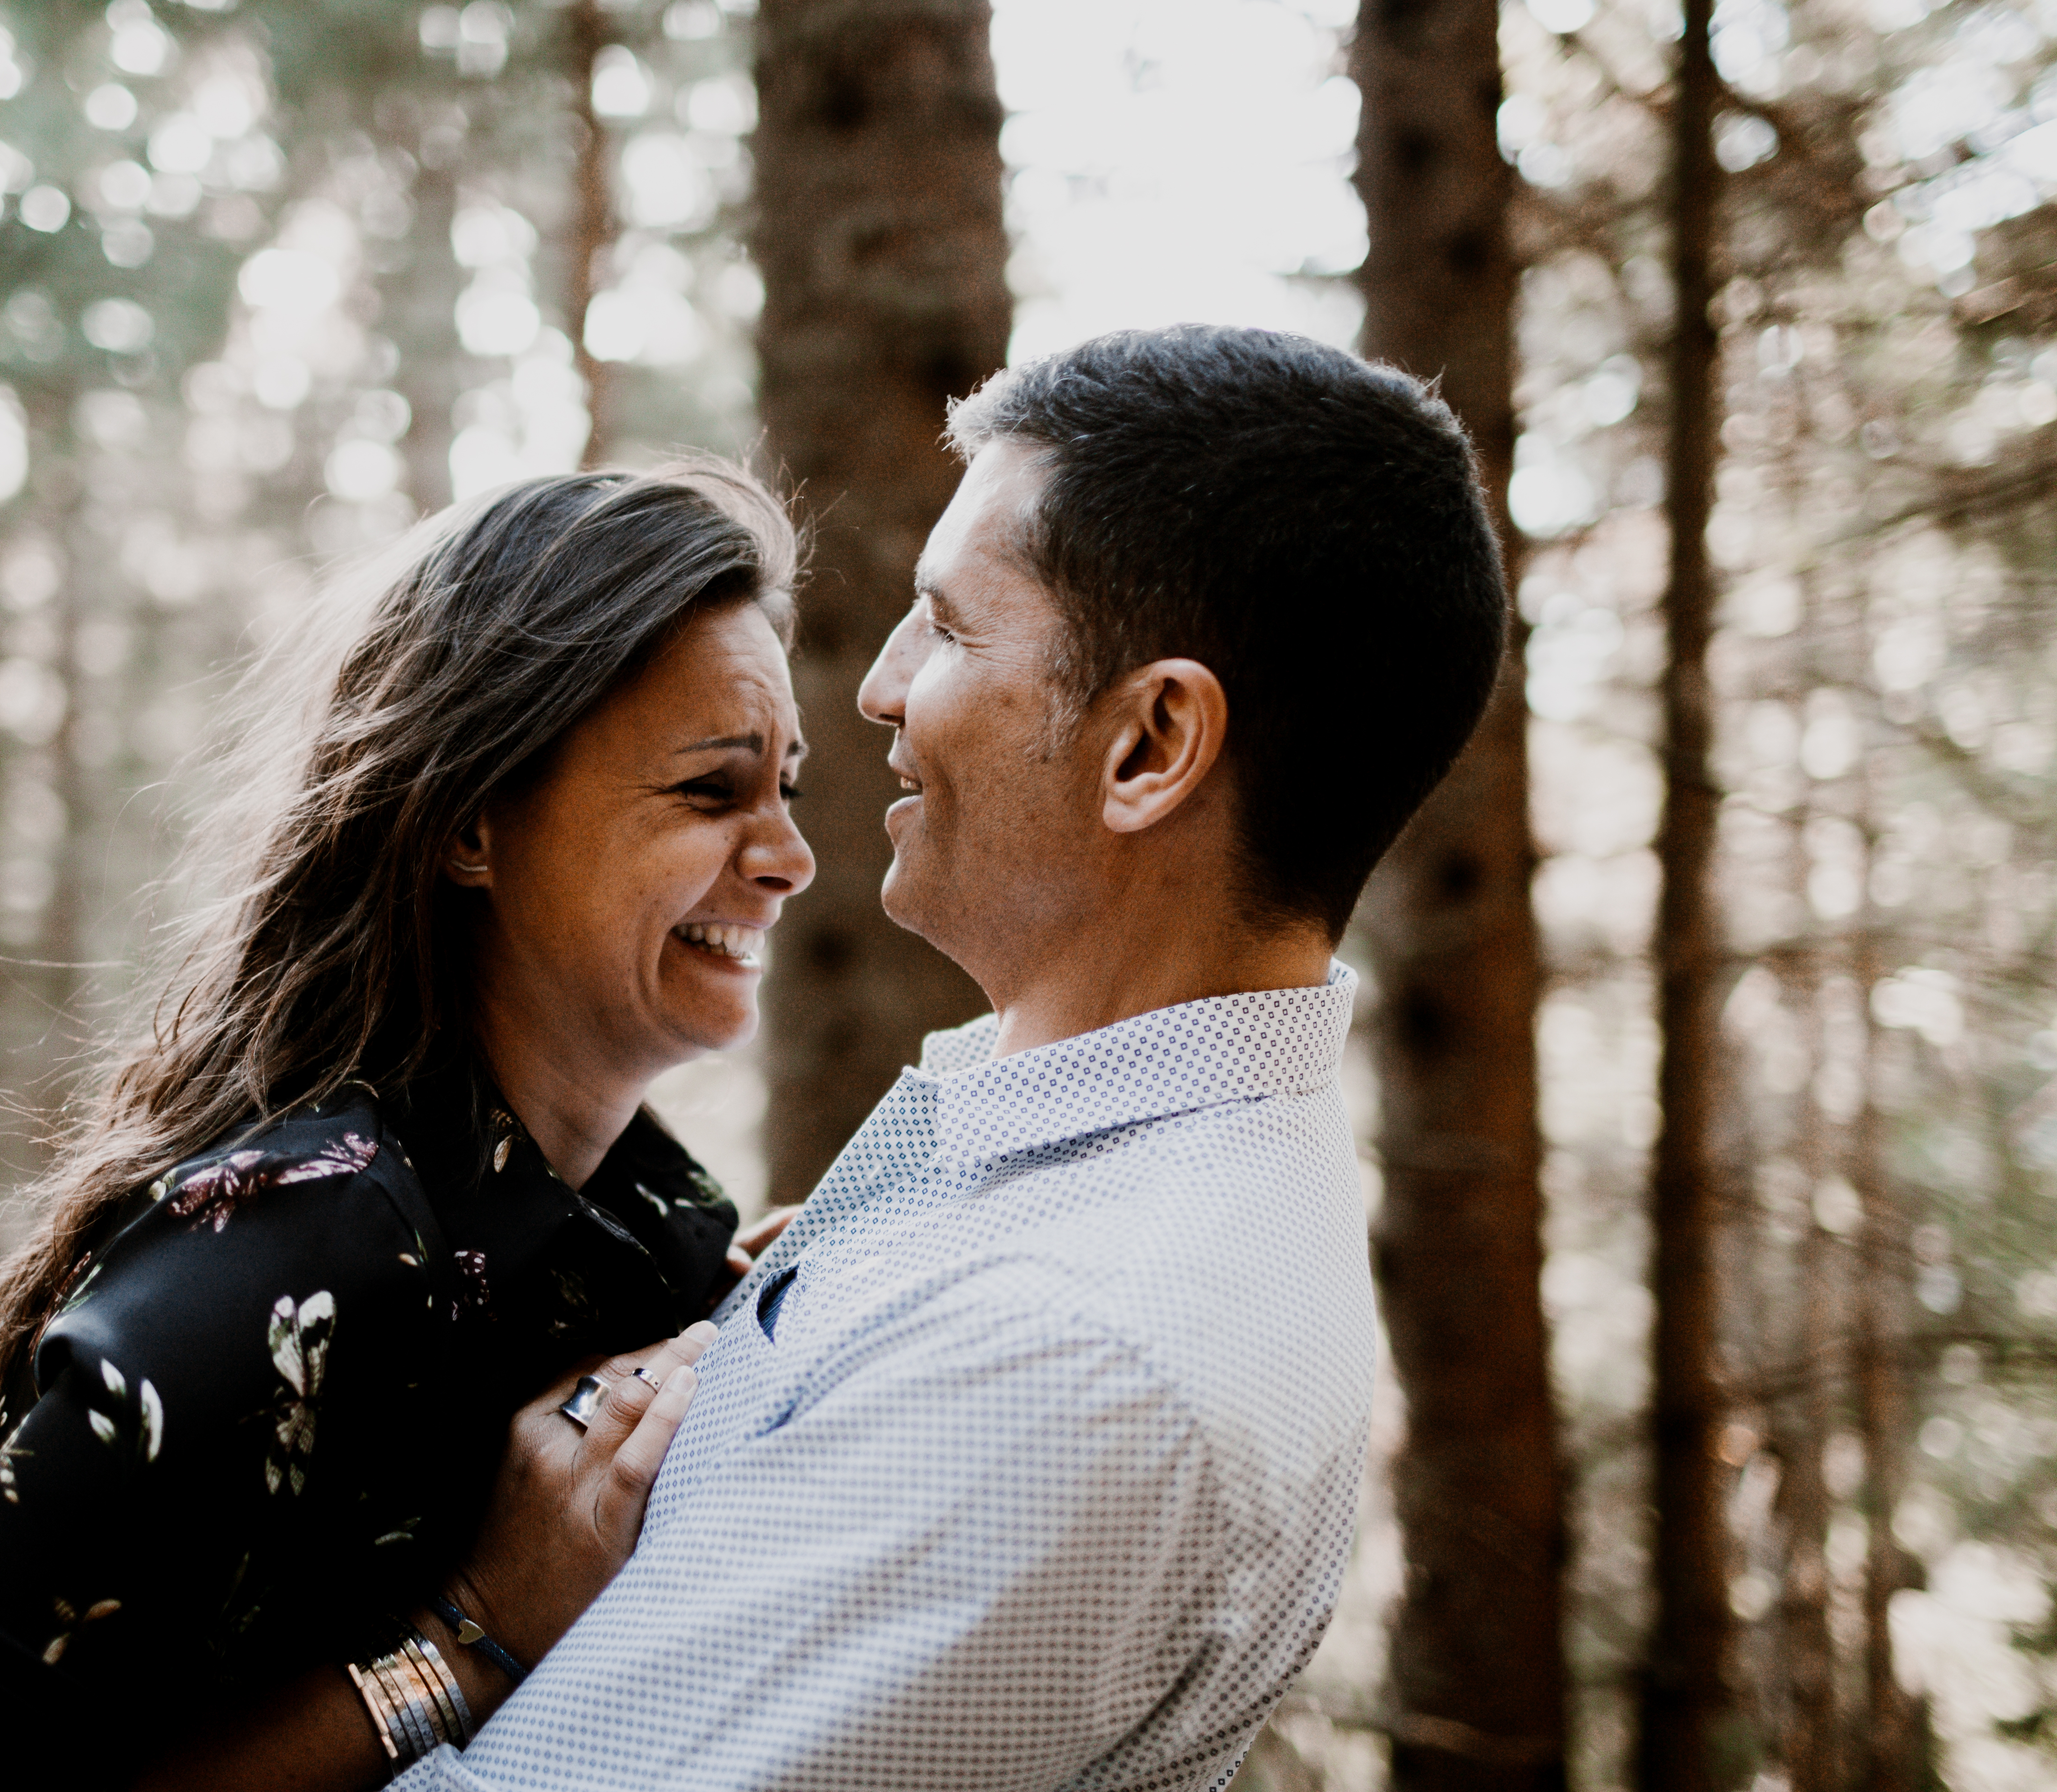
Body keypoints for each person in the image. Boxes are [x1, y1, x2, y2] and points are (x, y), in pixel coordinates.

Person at [339, 323, 1513, 1790]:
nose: (881, 689)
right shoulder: (1065, 1191)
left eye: (949, 629)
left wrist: (456, 1634)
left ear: (1152, 743)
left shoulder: (1070, 1356)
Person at [0, 462, 816, 1791]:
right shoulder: (285, 1255)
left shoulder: (650, 1222)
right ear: (471, 821)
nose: (787, 855)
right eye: (713, 793)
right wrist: (466, 1635)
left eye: (790, 791)